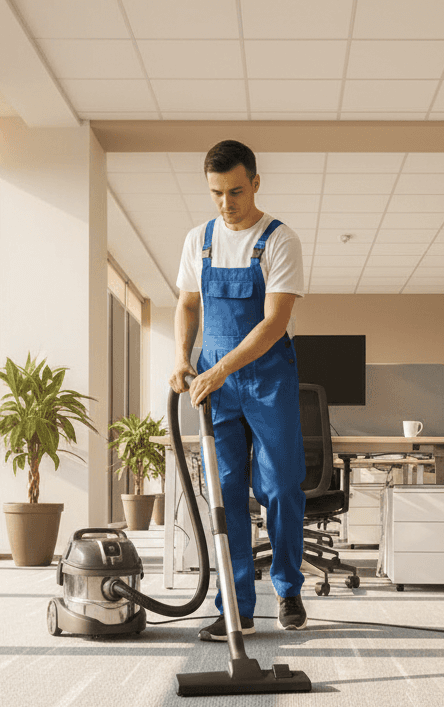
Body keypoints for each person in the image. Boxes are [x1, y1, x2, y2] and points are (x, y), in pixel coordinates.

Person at [170, 139, 307, 641]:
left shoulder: (278, 239)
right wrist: (183, 357)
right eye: (216, 193)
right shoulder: (198, 239)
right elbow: (187, 305)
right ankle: (236, 606)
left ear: (254, 183)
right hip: (215, 383)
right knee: (224, 494)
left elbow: (274, 323)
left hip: (267, 379)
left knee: (280, 486)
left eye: (235, 192)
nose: (226, 204)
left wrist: (220, 368)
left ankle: (289, 592)